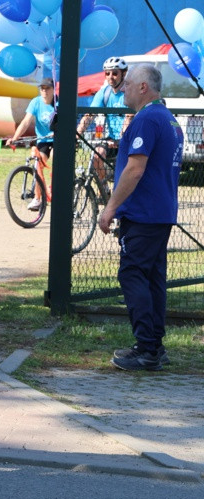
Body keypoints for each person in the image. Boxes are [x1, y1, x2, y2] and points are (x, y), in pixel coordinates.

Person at [98, 64, 183, 371]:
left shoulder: (147, 118)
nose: (124, 88)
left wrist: (110, 208)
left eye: (130, 83)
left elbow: (135, 168)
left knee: (133, 274)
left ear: (144, 87)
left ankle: (146, 348)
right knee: (152, 278)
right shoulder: (169, 119)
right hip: (160, 212)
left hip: (144, 213)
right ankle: (155, 346)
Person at [77, 56, 131, 189]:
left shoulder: (130, 92)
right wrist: (78, 133)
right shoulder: (104, 93)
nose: (110, 76)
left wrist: (121, 139)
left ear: (123, 74)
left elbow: (129, 118)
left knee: (123, 172)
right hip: (111, 139)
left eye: (114, 73)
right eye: (107, 73)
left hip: (129, 138)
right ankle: (104, 188)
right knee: (97, 155)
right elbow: (90, 115)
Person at [7, 77, 56, 211]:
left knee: (55, 156)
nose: (44, 91)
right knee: (37, 163)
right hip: (43, 140)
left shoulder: (58, 103)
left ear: (53, 90)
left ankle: (55, 190)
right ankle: (37, 199)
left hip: (58, 139)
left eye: (47, 88)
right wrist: (15, 138)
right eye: (42, 88)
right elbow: (26, 121)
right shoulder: (36, 102)